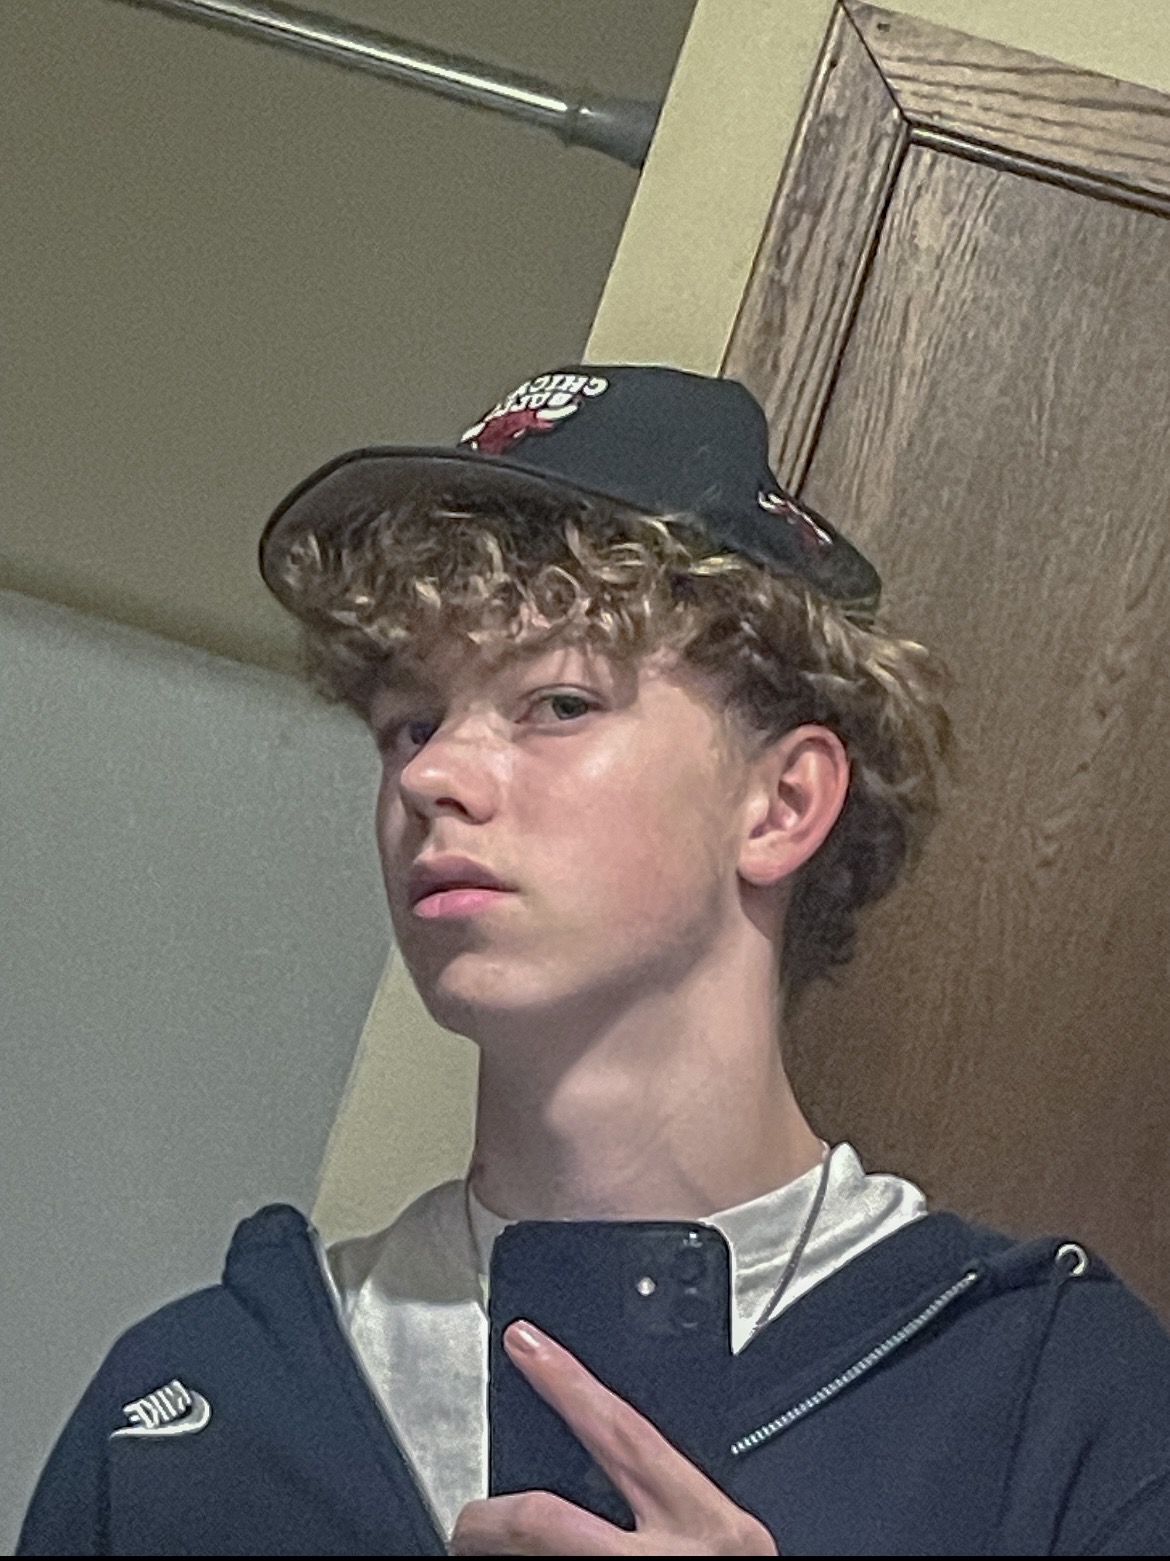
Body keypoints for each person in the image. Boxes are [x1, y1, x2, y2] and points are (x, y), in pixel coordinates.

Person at [18, 366, 1170, 1556]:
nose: (431, 776)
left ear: (782, 803)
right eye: (411, 722)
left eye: (558, 704)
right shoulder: (192, 1417)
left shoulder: (1056, 1404)